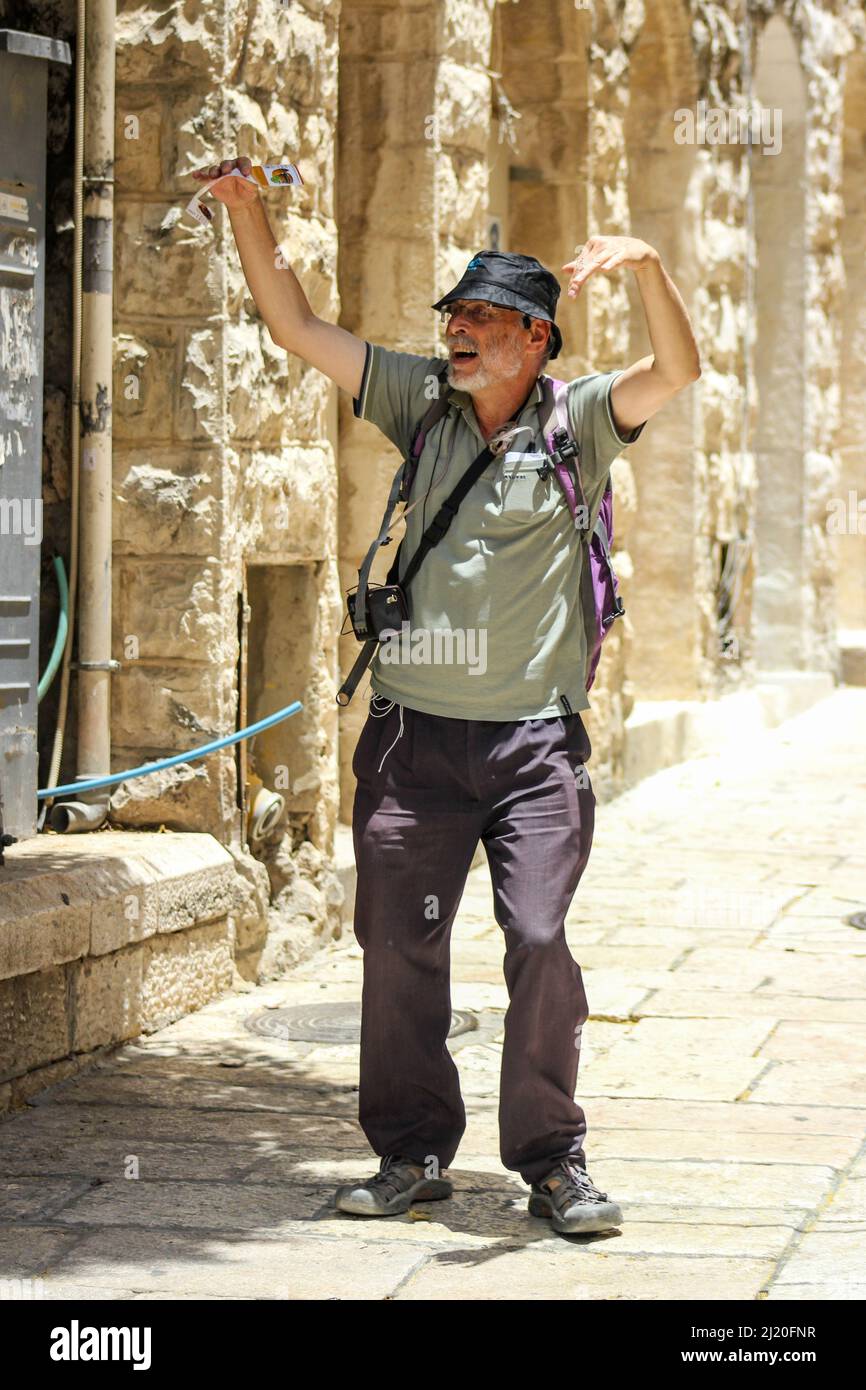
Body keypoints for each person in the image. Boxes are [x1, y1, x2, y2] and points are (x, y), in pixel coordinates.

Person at [195, 156, 701, 1236]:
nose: (462, 329)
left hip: (530, 751)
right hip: (411, 743)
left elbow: (677, 365)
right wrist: (253, 216)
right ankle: (412, 1151)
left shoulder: (581, 422)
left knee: (538, 934)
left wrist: (650, 265)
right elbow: (294, 324)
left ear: (536, 339)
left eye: (487, 317)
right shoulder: (417, 400)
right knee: (400, 951)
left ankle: (552, 1161)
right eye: (457, 313)